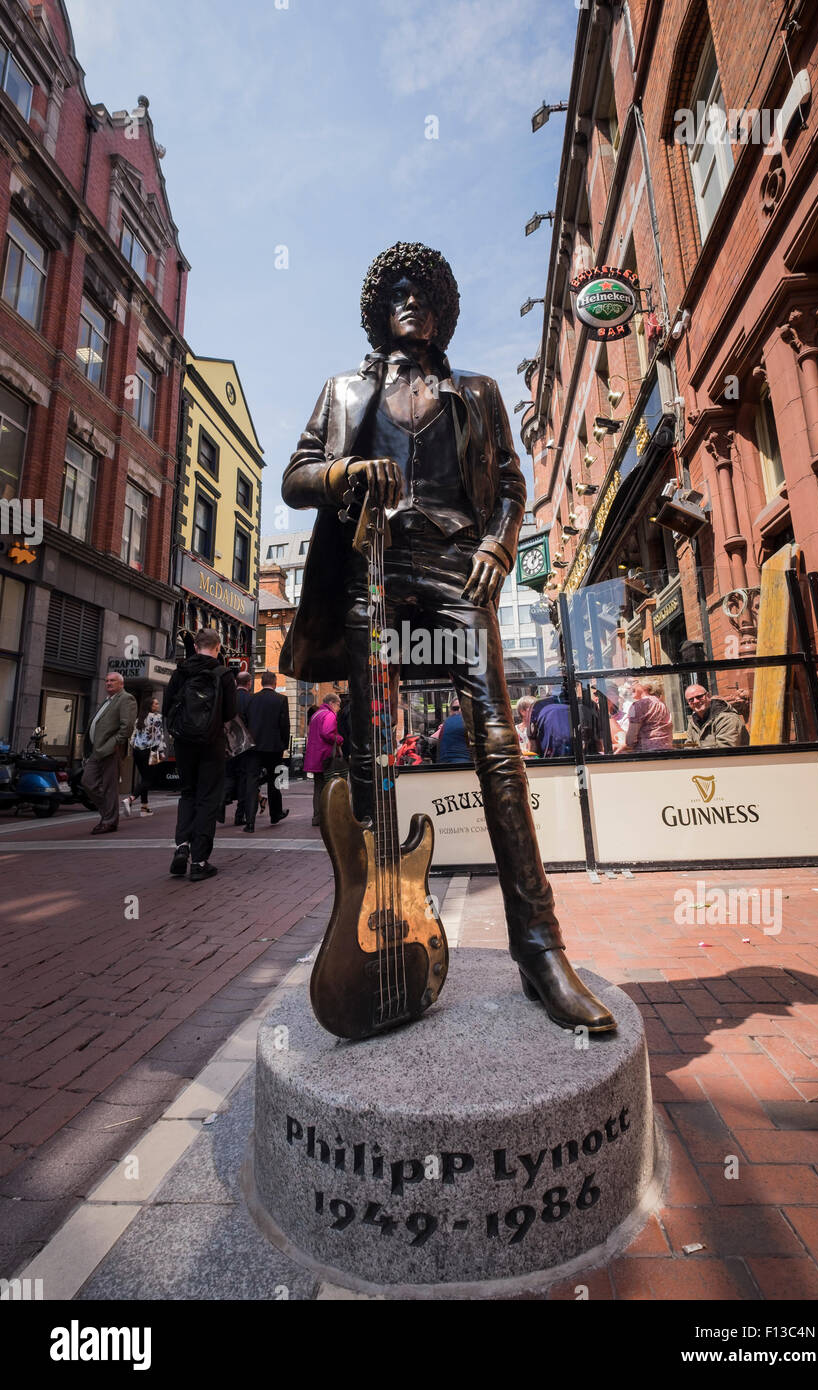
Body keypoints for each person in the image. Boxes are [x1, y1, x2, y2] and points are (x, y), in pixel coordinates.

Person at [279, 241, 613, 1032]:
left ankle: (539, 947)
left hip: (458, 566)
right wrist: (347, 474)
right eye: (395, 291)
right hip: (373, 570)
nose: (410, 302)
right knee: (368, 749)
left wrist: (501, 543)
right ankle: (375, 934)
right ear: (377, 309)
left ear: (443, 311)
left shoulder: (479, 391)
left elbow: (507, 483)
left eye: (424, 292)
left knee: (498, 739)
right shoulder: (343, 390)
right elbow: (296, 476)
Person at [164, 628, 237, 880]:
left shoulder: (181, 671)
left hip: (184, 742)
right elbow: (229, 713)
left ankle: (181, 846)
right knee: (207, 798)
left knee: (188, 793)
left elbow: (167, 707)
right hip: (211, 742)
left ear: (195, 647)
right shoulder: (224, 674)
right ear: (218, 648)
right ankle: (200, 861)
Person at [81, 671, 137, 834]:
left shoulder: (126, 699)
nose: (108, 683)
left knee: (109, 787)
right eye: (106, 681)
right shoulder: (107, 701)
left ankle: (109, 821)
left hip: (110, 750)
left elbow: (126, 727)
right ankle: (109, 814)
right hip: (96, 750)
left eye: (112, 681)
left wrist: (114, 744)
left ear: (121, 684)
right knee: (87, 782)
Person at [242, 671, 290, 832]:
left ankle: (249, 821)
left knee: (252, 782)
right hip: (274, 747)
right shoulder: (281, 700)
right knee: (275, 781)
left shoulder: (251, 699)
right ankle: (275, 814)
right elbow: (284, 725)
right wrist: (284, 744)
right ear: (275, 683)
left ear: (261, 683)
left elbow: (245, 721)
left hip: (254, 747)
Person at [304, 692, 343, 826]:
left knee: (318, 787)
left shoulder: (316, 715)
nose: (339, 708)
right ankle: (328, 817)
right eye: (338, 705)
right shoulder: (329, 715)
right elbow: (327, 733)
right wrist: (340, 739)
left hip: (314, 756)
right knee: (329, 787)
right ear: (332, 703)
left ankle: (317, 817)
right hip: (325, 756)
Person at [123, 697, 164, 817]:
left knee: (144, 778)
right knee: (149, 779)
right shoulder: (157, 718)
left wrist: (136, 747)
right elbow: (158, 737)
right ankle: (130, 799)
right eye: (155, 703)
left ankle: (144, 808)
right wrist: (161, 752)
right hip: (151, 752)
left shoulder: (139, 719)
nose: (158, 705)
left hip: (137, 752)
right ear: (150, 706)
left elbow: (132, 738)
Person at [225, 670, 253, 827]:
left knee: (228, 776)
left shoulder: (228, 698)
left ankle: (221, 804)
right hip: (245, 745)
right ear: (249, 683)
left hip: (227, 744)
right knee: (243, 779)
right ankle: (239, 814)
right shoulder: (251, 699)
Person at [617, 675, 673, 753]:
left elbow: (630, 741)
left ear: (645, 686)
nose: (629, 687)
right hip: (667, 752)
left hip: (646, 755)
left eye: (633, 683)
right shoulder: (662, 705)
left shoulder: (638, 705)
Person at [684, 684, 749, 748]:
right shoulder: (693, 722)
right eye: (691, 700)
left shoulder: (728, 719)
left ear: (708, 696)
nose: (695, 701)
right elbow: (689, 746)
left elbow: (724, 752)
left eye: (699, 697)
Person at [529, 690, 573, 757]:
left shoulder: (538, 706)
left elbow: (533, 746)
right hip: (585, 759)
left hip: (549, 761)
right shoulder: (586, 703)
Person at [435, 698, 473, 764]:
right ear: (450, 711)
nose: (459, 710)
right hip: (463, 765)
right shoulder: (446, 725)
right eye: (455, 708)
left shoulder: (447, 724)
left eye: (463, 708)